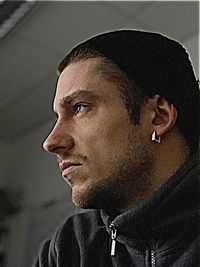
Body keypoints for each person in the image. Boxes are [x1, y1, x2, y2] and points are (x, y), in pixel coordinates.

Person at [33, 30, 199, 267]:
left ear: (158, 117)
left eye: (80, 107)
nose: (51, 142)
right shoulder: (71, 247)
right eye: (58, 117)